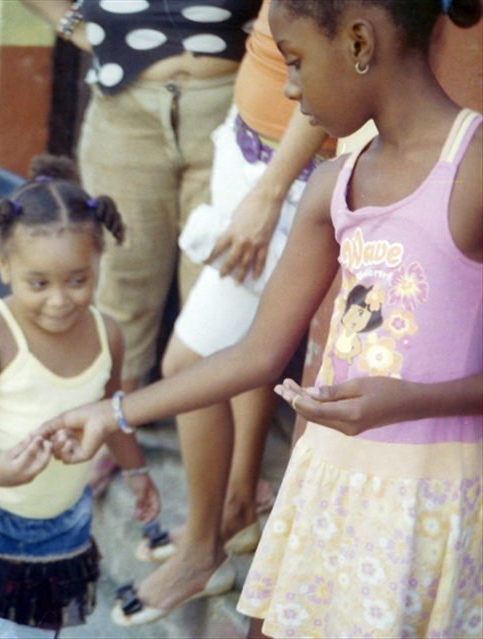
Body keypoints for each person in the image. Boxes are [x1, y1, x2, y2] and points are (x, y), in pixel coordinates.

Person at [34, 0, 483, 636]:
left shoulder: (473, 170)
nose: (290, 87)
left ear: (359, 43)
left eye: (295, 61)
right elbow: (253, 354)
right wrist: (109, 414)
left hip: (433, 508)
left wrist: (411, 402)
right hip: (325, 489)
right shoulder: (335, 184)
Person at [116, 0, 335, 625]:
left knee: (193, 361)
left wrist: (268, 196)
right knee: (240, 340)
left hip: (284, 177)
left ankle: (201, 551)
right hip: (247, 150)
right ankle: (234, 504)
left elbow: (329, 61)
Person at [17, 1, 263, 493]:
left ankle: (227, 473)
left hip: (235, 106)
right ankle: (111, 432)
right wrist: (72, 25)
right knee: (121, 283)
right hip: (124, 108)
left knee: (221, 291)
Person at [0, 155, 161, 631]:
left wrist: (138, 471)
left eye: (78, 280)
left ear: (98, 263)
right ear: (5, 266)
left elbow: (113, 413)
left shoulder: (107, 332)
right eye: (38, 283)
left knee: (37, 628)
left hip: (64, 522)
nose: (59, 299)